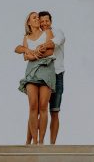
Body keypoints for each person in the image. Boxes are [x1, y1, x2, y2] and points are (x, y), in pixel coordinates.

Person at [15, 11, 56, 144]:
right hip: (31, 72)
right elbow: (25, 56)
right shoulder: (26, 38)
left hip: (46, 69)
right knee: (33, 106)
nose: (37, 19)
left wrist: (36, 54)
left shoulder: (47, 32)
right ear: (29, 22)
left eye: (38, 17)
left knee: (43, 106)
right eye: (34, 18)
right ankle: (34, 140)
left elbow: (51, 50)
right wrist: (31, 53)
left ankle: (41, 141)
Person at [37, 11, 66, 144]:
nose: (44, 23)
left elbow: (57, 42)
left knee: (54, 111)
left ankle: (52, 145)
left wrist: (41, 46)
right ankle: (39, 142)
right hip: (42, 76)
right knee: (39, 110)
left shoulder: (57, 31)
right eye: (41, 21)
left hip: (57, 74)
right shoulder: (36, 35)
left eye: (46, 21)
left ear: (50, 21)